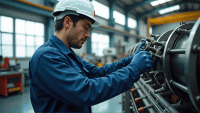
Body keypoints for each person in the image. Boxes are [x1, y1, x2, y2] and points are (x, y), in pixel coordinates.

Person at [29, 0, 154, 112]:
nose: (88, 35)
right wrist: (134, 69)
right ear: (67, 22)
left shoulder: (68, 55)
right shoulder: (46, 57)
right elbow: (85, 92)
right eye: (86, 27)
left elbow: (99, 72)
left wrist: (130, 60)